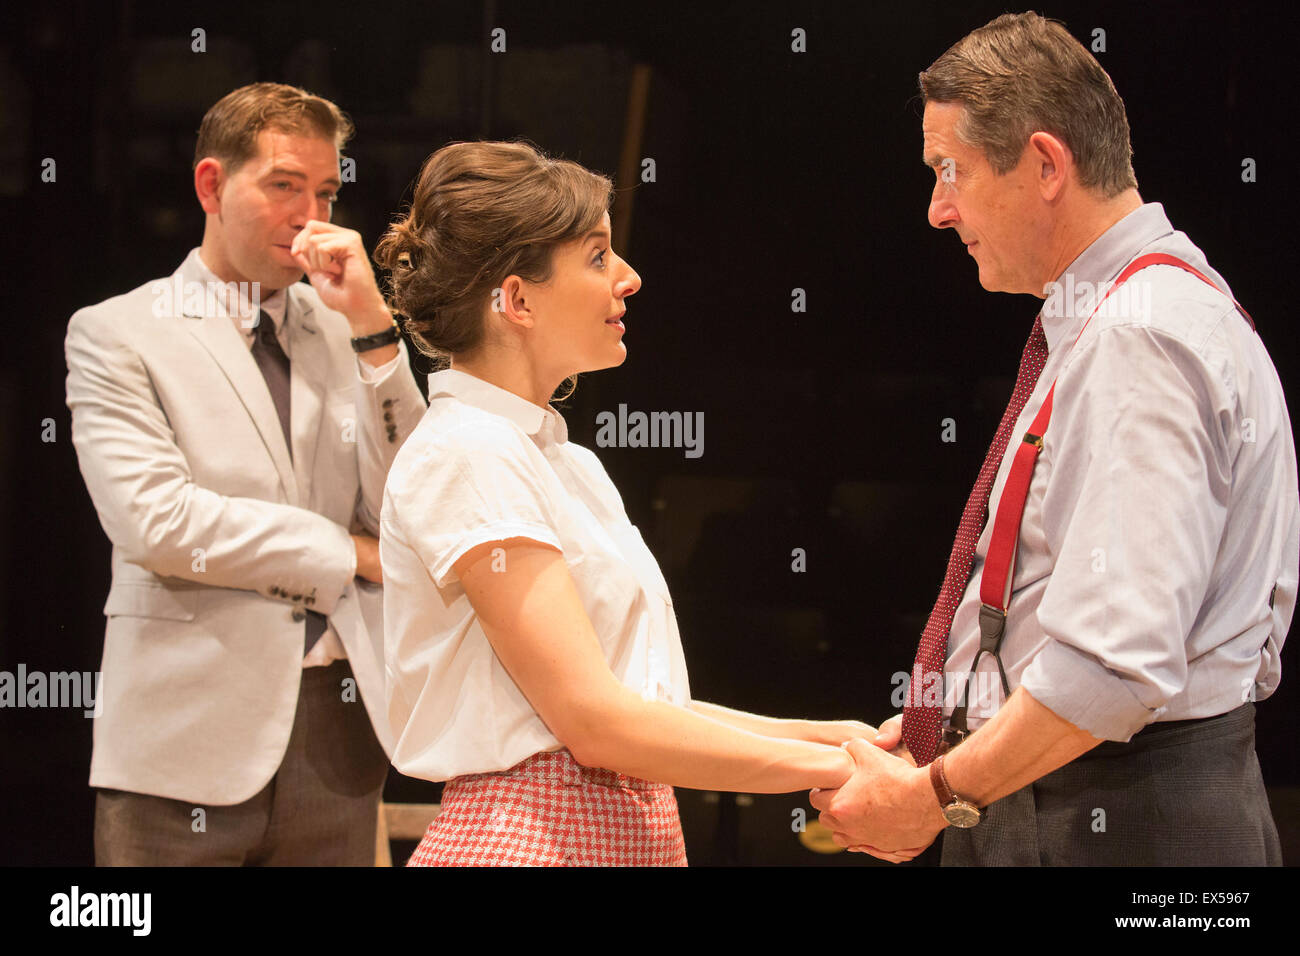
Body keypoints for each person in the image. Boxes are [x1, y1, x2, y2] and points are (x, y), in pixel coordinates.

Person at [812, 11, 1296, 865]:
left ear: (1044, 165)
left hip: (1122, 814)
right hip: (1102, 793)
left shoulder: (1141, 333)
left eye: (949, 171)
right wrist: (958, 721)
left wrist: (934, 797)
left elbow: (1113, 663)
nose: (936, 209)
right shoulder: (1134, 314)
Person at [376, 141, 876, 866]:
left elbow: (649, 710)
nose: (629, 278)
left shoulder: (566, 463)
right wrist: (847, 775)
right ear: (516, 300)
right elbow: (597, 727)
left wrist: (847, 739)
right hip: (527, 844)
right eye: (598, 256)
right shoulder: (468, 450)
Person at [64, 82, 427, 865]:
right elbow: (159, 523)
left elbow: (408, 504)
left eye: (325, 192)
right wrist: (349, 555)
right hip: (183, 733)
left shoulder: (344, 327)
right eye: (283, 186)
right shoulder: (118, 333)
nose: (309, 217)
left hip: (336, 731)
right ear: (210, 185)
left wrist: (374, 332)